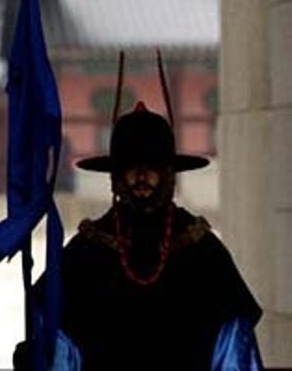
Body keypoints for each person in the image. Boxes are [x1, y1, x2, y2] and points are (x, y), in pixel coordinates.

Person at [17, 102, 262, 370]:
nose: (141, 176)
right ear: (115, 177)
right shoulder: (85, 252)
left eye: (152, 166)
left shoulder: (203, 252)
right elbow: (61, 348)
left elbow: (234, 353)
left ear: (169, 174)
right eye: (131, 167)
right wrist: (41, 357)